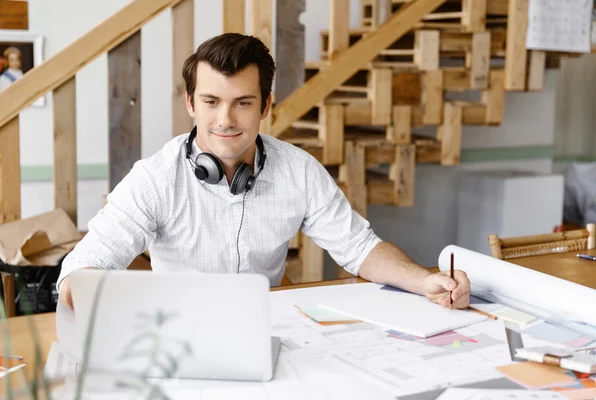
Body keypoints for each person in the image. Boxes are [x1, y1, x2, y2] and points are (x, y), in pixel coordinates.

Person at [56, 33, 471, 311]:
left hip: (268, 328)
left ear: (266, 106)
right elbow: (78, 274)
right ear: (190, 103)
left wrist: (424, 281)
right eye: (211, 101)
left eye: (243, 103)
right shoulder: (155, 178)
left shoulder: (299, 170)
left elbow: (360, 249)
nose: (225, 119)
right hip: (179, 334)